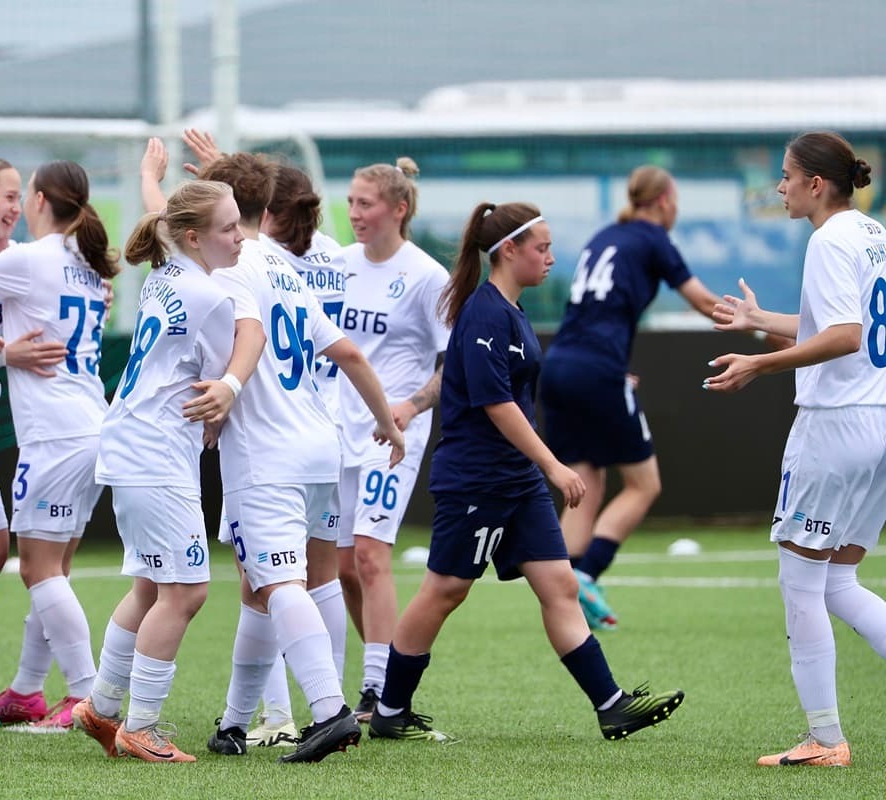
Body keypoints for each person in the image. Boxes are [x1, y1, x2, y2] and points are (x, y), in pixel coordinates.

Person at [367, 200, 685, 744]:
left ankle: (611, 706)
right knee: (445, 590)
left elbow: (463, 380)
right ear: (508, 250)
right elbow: (496, 404)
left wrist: (413, 406)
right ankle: (389, 709)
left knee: (560, 585)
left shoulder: (507, 312)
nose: (551, 257)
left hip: (515, 480)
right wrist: (555, 466)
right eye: (542, 247)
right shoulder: (485, 312)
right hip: (477, 479)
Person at [185, 152, 404, 764]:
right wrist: (387, 424)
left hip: (266, 454)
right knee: (274, 584)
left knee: (279, 581)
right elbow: (352, 355)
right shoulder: (285, 269)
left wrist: (222, 391)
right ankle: (233, 723)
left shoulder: (230, 267)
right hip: (320, 446)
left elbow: (238, 340)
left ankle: (329, 711)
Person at [707, 131, 882, 768]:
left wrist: (760, 363)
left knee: (801, 584)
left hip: (834, 426)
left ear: (816, 184)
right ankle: (825, 737)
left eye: (786, 176)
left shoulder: (828, 239)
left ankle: (827, 740)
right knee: (839, 581)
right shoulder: (874, 233)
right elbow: (850, 329)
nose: (779, 187)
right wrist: (762, 321)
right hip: (878, 420)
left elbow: (841, 336)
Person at [72, 176, 244, 763]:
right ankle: (141, 726)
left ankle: (99, 707)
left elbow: (163, 216)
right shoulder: (211, 297)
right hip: (156, 455)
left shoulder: (167, 270)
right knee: (187, 591)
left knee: (150, 586)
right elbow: (234, 363)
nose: (240, 235)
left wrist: (155, 178)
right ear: (194, 237)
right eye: (230, 227)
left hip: (131, 444)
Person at [0, 159, 116, 730]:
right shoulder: (86, 263)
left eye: (22, 196)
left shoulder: (29, 257)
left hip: (55, 435)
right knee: (55, 569)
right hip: (91, 425)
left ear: (40, 199)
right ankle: (27, 690)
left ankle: (88, 696)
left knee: (38, 571)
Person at [539, 165, 723, 630]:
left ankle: (563, 593)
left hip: (559, 365)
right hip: (598, 370)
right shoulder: (653, 236)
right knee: (644, 485)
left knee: (585, 482)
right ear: (663, 201)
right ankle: (586, 575)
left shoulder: (606, 235)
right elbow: (703, 301)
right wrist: (762, 325)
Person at [337, 158, 450, 722]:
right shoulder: (339, 263)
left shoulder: (428, 275)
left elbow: (450, 366)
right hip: (335, 430)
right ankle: (378, 672)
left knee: (369, 555)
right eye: (352, 202)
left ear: (398, 209)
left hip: (393, 436)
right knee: (340, 568)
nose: (354, 213)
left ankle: (378, 691)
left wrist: (406, 407)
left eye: (366, 203)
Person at [245, 162, 350, 748]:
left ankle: (286, 713)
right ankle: (326, 699)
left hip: (274, 430)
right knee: (323, 575)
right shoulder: (331, 253)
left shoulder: (261, 262)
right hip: (327, 427)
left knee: (267, 579)